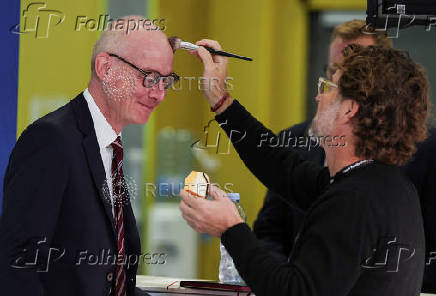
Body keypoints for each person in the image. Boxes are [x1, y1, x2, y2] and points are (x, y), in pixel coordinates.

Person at [180, 40, 430, 295]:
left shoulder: (354, 200)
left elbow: (295, 290)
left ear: (349, 110)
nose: (318, 96)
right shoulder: (380, 184)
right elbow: (282, 168)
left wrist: (230, 229)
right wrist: (219, 98)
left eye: (328, 88)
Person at [253, 19, 436, 293]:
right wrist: (222, 103)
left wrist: (230, 228)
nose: (320, 95)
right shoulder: (312, 155)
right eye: (332, 72)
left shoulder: (362, 191)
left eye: (345, 78)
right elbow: (282, 184)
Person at [0, 16, 176, 296]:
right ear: (105, 68)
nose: (159, 94)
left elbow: (112, 279)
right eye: (149, 77)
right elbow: (17, 266)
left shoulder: (111, 147)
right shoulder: (51, 140)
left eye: (167, 81)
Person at [253, 19, 392, 262]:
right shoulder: (294, 140)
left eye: (351, 75)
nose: (335, 86)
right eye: (332, 72)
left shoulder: (420, 150)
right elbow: (269, 232)